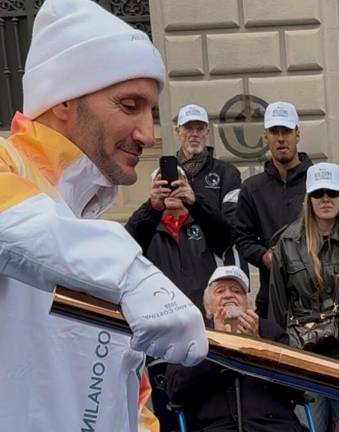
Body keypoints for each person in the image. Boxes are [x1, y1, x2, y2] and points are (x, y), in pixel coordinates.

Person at [0, 0, 207, 430]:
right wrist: (127, 273)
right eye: (130, 105)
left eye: (151, 110)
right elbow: (18, 226)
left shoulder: (85, 226)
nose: (148, 134)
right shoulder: (12, 172)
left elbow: (134, 398)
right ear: (64, 101)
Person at [269, 162, 339, 432]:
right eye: (318, 193)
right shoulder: (288, 242)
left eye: (332, 192)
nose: (325, 199)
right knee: (310, 424)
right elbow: (277, 302)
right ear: (309, 198)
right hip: (305, 349)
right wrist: (275, 348)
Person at [165, 266, 304, 432]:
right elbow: (175, 389)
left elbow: (296, 388)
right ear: (207, 307)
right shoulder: (191, 337)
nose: (228, 295)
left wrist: (258, 349)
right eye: (220, 291)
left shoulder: (271, 332)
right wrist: (216, 349)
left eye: (236, 291)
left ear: (249, 304)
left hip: (271, 427)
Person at [126, 167, 245, 311]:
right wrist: (151, 207)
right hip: (160, 315)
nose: (170, 189)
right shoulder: (146, 228)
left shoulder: (204, 222)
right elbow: (126, 246)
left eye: (177, 184)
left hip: (205, 316)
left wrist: (195, 202)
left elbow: (226, 236)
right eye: (162, 186)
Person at [234, 101, 313, 318]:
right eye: (274, 131)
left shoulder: (318, 181)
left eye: (286, 131)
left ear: (297, 134)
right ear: (265, 137)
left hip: (318, 300)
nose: (281, 138)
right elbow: (243, 238)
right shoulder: (252, 188)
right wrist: (264, 256)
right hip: (272, 298)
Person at [174, 103, 241, 220]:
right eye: (189, 128)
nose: (195, 134)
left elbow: (232, 222)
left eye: (200, 129)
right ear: (178, 131)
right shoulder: (166, 172)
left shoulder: (227, 173)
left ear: (207, 132)